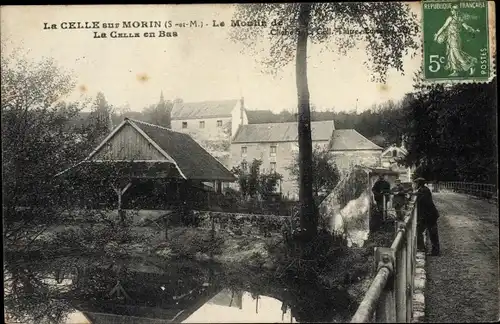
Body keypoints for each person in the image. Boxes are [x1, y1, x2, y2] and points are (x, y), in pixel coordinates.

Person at [433, 4, 480, 76]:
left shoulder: (458, 19)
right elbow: (444, 27)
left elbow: (467, 27)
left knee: (457, 53)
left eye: (457, 10)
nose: (456, 11)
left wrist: (474, 31)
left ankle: (470, 66)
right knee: (451, 53)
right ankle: (455, 71)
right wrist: (437, 35)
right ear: (452, 10)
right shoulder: (451, 18)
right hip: (450, 38)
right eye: (454, 9)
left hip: (455, 38)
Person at [413, 177, 441, 256]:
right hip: (427, 215)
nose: (415, 185)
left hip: (430, 215)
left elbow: (421, 201)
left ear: (419, 183)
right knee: (420, 231)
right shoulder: (423, 190)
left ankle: (434, 251)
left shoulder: (424, 190)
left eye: (416, 183)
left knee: (432, 233)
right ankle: (423, 248)